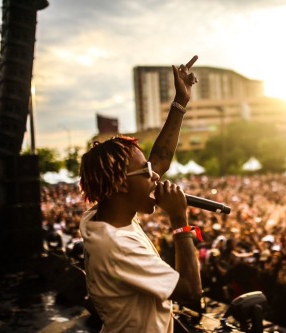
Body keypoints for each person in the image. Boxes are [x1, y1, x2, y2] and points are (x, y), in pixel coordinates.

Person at [79, 56, 202, 333]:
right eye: (146, 172)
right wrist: (180, 220)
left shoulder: (108, 214)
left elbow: (158, 159)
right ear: (121, 185)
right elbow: (191, 290)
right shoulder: (115, 245)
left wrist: (180, 103)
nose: (155, 176)